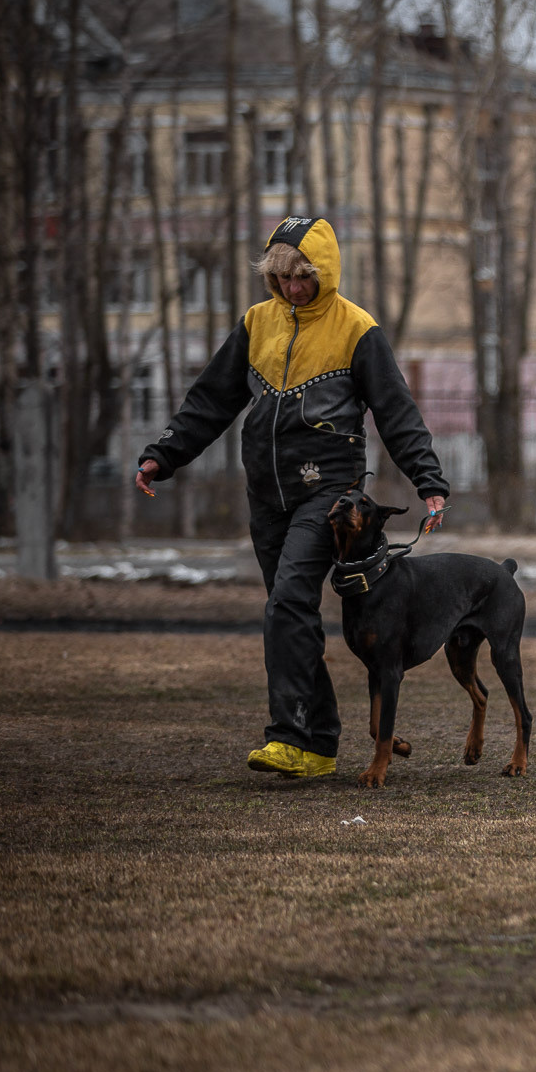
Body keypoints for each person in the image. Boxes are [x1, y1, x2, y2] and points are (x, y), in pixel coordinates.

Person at [135, 216, 448, 778]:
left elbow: (396, 411)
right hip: (267, 494)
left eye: (304, 277)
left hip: (329, 491)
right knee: (290, 614)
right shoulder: (256, 323)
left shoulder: (357, 329)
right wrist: (166, 453)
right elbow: (211, 400)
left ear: (324, 273)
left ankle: (287, 737)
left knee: (287, 603)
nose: (293, 287)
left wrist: (429, 481)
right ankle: (319, 744)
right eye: (282, 278)